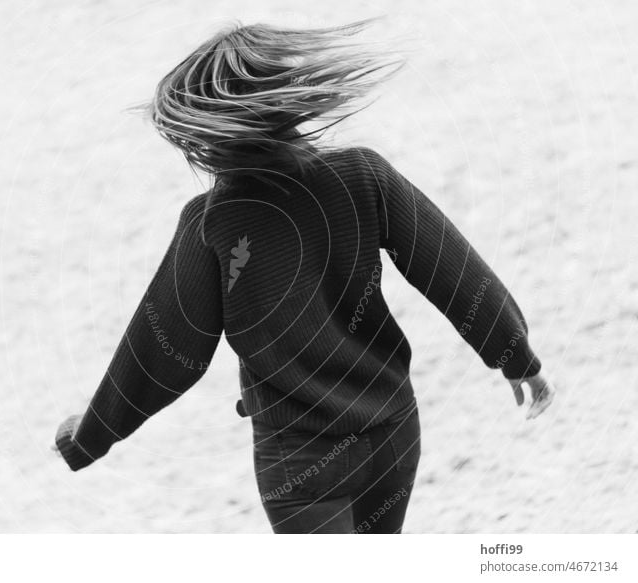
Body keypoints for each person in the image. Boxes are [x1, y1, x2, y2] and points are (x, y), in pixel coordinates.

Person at [53, 18, 556, 534]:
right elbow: (455, 274)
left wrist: (89, 435)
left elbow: (165, 351)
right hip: (392, 435)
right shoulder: (363, 174)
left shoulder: (213, 222)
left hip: (300, 461)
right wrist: (516, 356)